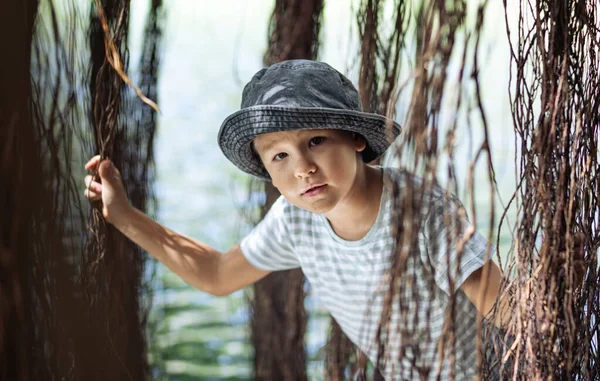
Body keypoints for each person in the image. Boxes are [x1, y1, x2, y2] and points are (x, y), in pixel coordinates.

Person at [84, 60, 507, 380]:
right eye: (280, 155)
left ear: (355, 138)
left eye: (316, 141)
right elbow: (216, 274)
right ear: (267, 169)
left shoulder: (422, 213)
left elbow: (510, 314)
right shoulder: (295, 219)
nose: (302, 167)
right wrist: (124, 217)